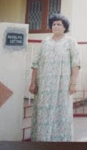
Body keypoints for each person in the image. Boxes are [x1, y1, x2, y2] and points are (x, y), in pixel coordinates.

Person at [29, 14, 80, 142]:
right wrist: (32, 82)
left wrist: (73, 83)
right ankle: (42, 140)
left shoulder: (70, 42)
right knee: (43, 113)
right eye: (53, 24)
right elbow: (36, 63)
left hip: (62, 86)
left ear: (64, 27)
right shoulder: (45, 42)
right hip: (44, 86)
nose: (56, 26)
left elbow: (76, 64)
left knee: (61, 113)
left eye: (59, 24)